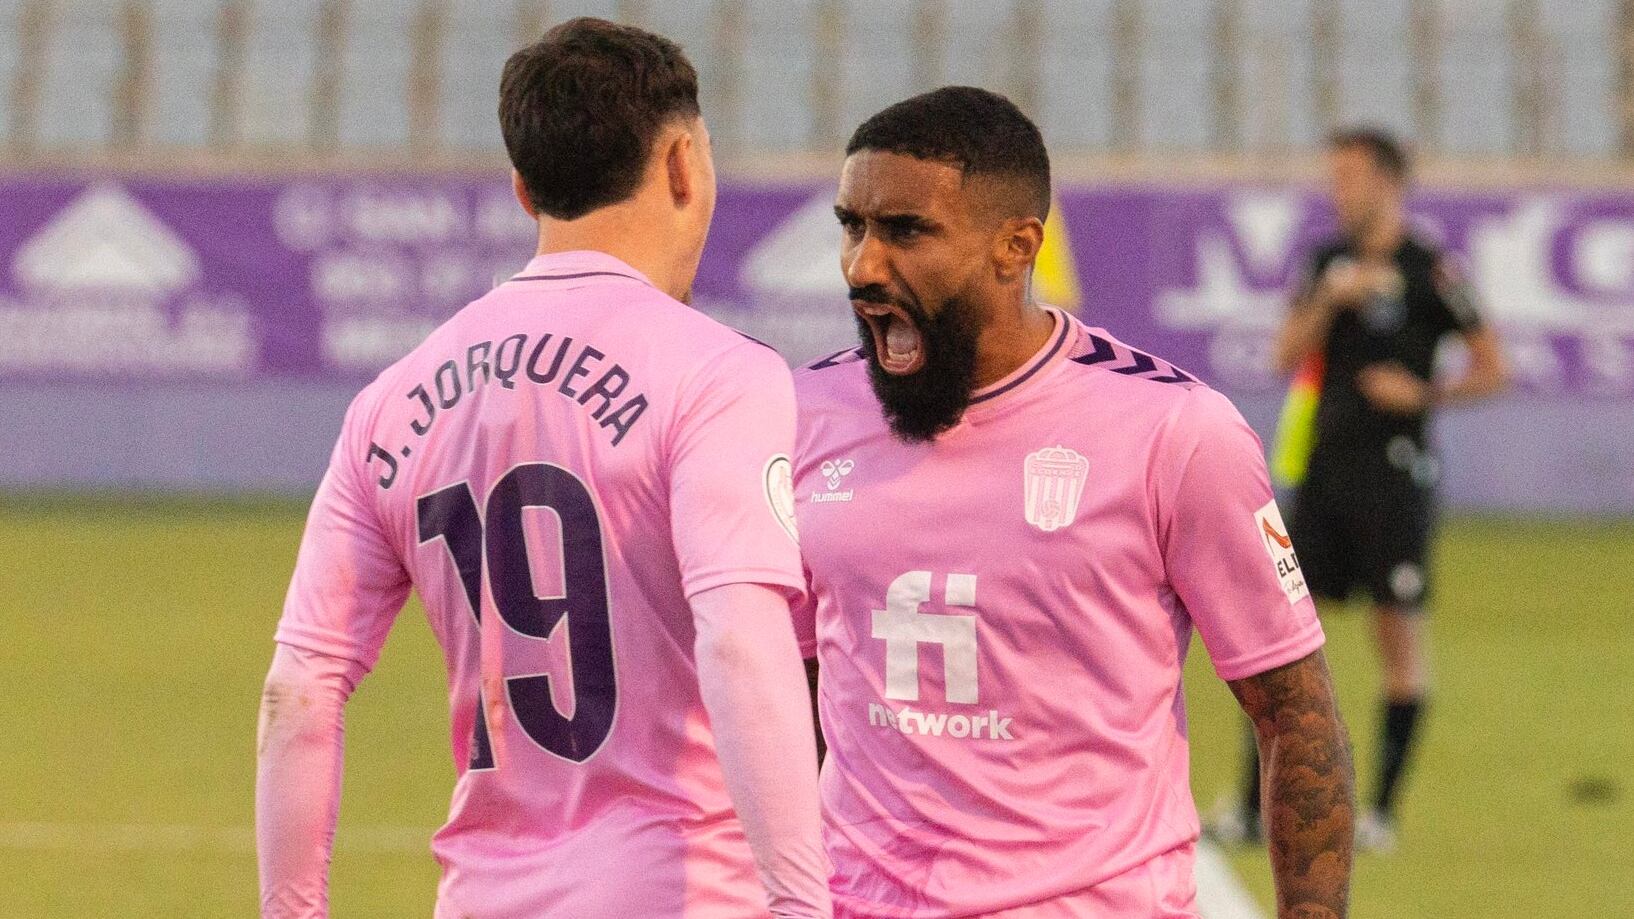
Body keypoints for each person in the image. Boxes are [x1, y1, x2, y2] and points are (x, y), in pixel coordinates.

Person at [256, 18, 829, 919]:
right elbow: (739, 639)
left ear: (525, 189)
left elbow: (300, 687)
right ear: (683, 162)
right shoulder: (719, 376)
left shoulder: (390, 403)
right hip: (684, 893)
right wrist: (801, 902)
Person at [793, 86, 1354, 919]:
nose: (864, 266)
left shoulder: (1174, 431)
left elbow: (1297, 717)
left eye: (906, 232)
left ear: (1016, 247)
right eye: (852, 226)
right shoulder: (803, 414)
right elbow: (795, 690)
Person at [1220, 127, 1508, 853]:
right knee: (1275, 639)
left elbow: (1492, 366)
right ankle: (1253, 807)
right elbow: (1285, 353)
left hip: (1395, 477)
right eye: (1333, 177)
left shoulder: (1432, 271)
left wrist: (1423, 392)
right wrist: (1328, 297)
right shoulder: (1326, 263)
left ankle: (1379, 811)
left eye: (1349, 176)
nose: (1337, 190)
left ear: (1388, 180)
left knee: (1396, 637)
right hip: (1322, 476)